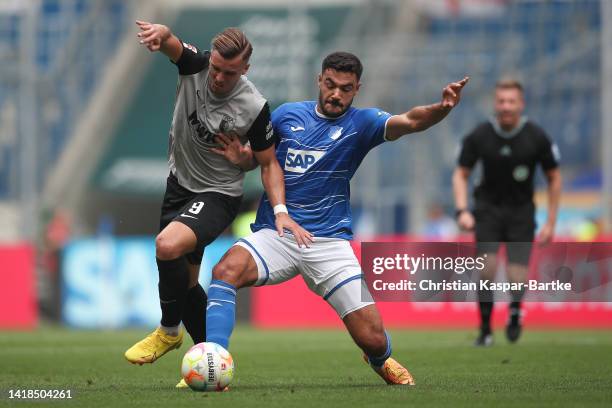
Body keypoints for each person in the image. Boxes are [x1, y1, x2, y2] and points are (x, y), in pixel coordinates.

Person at [207, 51, 468, 385]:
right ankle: (212, 361)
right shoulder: (287, 115)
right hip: (279, 231)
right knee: (225, 270)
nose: (336, 94)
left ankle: (381, 359)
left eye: (345, 88)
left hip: (329, 242)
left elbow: (411, 121)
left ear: (357, 88)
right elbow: (264, 161)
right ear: (319, 80)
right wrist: (243, 158)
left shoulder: (363, 124)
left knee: (373, 338)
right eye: (330, 85)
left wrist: (441, 108)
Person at [124, 21, 312, 379]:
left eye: (229, 73)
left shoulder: (254, 107)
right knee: (188, 284)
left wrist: (257, 178)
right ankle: (210, 363)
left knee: (166, 245)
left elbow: (267, 161)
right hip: (178, 184)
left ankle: (167, 331)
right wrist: (161, 35)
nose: (218, 78)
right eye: (216, 69)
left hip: (218, 194)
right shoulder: (196, 65)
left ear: (245, 69)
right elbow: (172, 44)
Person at [452, 79, 561, 346]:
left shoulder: (536, 136)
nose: (506, 106)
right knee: (487, 269)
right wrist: (462, 210)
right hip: (487, 209)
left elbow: (554, 177)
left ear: (521, 104)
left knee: (516, 274)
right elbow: (461, 173)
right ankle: (486, 330)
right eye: (501, 101)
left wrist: (550, 222)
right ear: (495, 103)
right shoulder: (480, 135)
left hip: (521, 212)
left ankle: (514, 311)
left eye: (511, 101)